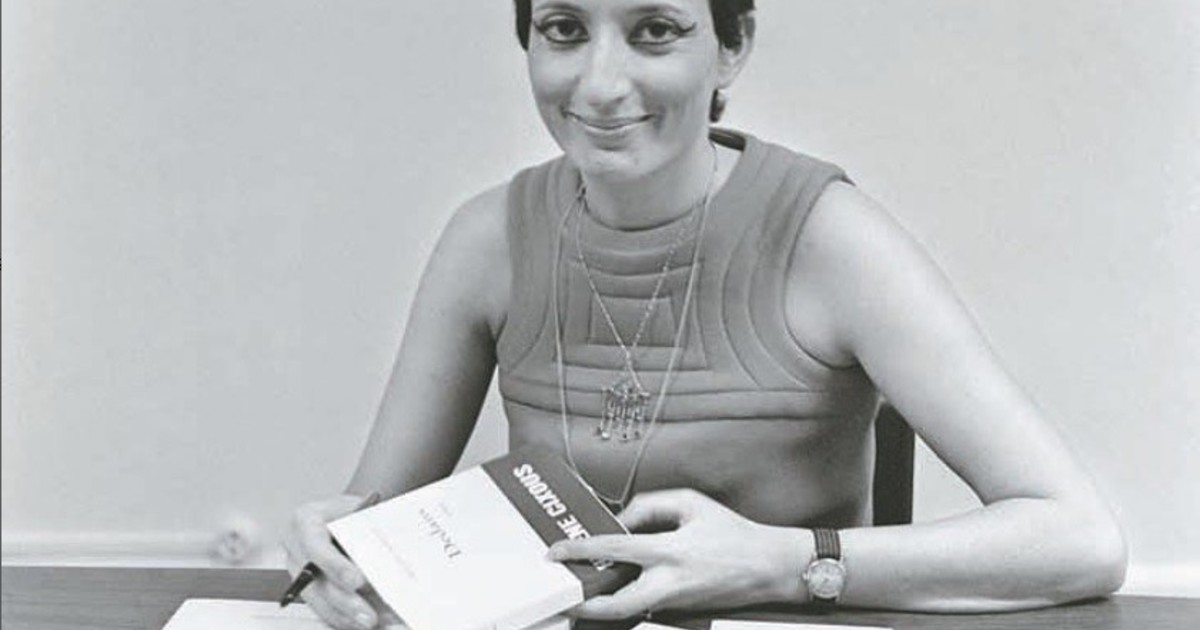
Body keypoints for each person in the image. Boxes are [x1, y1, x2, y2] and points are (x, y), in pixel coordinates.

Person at [283, 1, 1127, 627]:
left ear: (732, 46)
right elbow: (374, 517)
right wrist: (337, 551)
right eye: (564, 29)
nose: (600, 85)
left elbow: (1078, 539)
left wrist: (785, 563)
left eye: (655, 30)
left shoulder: (830, 239)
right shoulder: (486, 240)